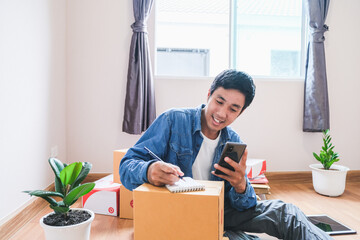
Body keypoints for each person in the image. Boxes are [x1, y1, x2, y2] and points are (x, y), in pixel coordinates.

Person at [119, 70, 332, 240]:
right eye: (219, 101)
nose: (222, 114)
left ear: (241, 112)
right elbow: (126, 166)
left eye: (233, 109)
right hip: (178, 211)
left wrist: (241, 185)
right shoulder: (173, 120)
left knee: (286, 212)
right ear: (209, 94)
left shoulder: (234, 142)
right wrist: (148, 170)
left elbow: (245, 207)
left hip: (217, 213)